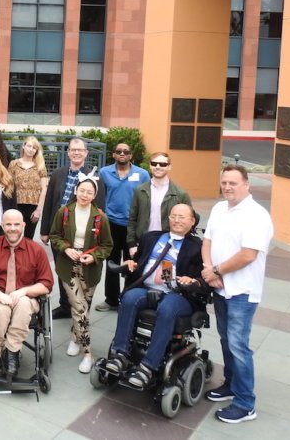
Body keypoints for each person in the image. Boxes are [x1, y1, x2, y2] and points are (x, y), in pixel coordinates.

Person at [104, 204, 207, 389]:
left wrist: (193, 280)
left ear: (192, 221)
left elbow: (205, 279)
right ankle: (120, 354)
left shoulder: (198, 247)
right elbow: (138, 262)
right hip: (147, 287)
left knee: (167, 308)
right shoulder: (151, 237)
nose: (176, 220)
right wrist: (131, 264)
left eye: (182, 217)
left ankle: (148, 366)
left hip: (179, 294)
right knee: (129, 299)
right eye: (173, 216)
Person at [200, 165, 273, 424]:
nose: (228, 187)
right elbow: (207, 242)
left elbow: (248, 255)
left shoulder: (257, 215)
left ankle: (245, 403)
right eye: (224, 182)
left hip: (242, 291)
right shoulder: (220, 209)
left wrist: (216, 270)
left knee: (238, 345)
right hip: (220, 288)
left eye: (233, 183)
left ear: (246, 184)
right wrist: (210, 271)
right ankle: (231, 384)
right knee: (225, 340)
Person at [0, 210, 53, 378]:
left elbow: (47, 284)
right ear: (2, 226)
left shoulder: (36, 250)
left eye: (16, 224)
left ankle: (12, 352)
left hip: (26, 298)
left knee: (24, 303)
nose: (12, 228)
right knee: (2, 310)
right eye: (8, 224)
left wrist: (24, 291)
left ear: (23, 225)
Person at [48, 177, 113, 374]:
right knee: (79, 309)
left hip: (90, 269)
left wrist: (94, 256)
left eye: (89, 192)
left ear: (94, 196)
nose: (85, 194)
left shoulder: (101, 218)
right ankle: (87, 353)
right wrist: (66, 249)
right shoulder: (64, 212)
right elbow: (54, 235)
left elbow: (107, 246)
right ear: (76, 190)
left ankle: (75, 338)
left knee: (83, 307)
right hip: (68, 267)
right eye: (82, 190)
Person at [40, 137, 105, 320]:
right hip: (57, 231)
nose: (76, 153)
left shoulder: (95, 178)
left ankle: (81, 305)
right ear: (68, 152)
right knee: (62, 268)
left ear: (86, 153)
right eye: (73, 150)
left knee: (80, 270)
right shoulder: (58, 174)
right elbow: (49, 203)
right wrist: (45, 230)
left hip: (81, 232)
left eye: (80, 150)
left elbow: (100, 209)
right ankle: (65, 305)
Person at [95, 143, 150, 312]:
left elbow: (147, 199)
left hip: (132, 226)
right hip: (110, 224)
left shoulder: (142, 174)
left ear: (131, 155)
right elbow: (99, 197)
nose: (122, 154)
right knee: (111, 262)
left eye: (126, 151)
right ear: (113, 154)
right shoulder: (104, 172)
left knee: (132, 263)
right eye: (118, 151)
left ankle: (128, 299)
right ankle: (111, 299)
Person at [127, 152, 191, 259]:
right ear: (150, 165)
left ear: (169, 166)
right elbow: (132, 219)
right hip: (143, 244)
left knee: (166, 274)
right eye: (154, 163)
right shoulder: (140, 190)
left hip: (169, 246)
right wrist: (132, 244)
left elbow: (189, 222)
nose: (158, 167)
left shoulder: (180, 194)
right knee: (142, 274)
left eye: (162, 164)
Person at [8, 136, 48, 240]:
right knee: (13, 236)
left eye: (34, 148)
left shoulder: (40, 166)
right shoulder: (14, 164)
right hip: (16, 205)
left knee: (28, 238)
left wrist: (39, 210)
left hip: (33, 207)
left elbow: (44, 189)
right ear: (23, 146)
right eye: (29, 146)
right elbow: (8, 185)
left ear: (36, 151)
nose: (31, 149)